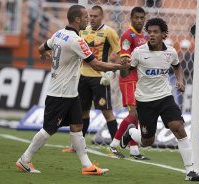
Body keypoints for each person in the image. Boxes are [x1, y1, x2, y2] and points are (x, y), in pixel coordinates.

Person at [15, 4, 128, 175]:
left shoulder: (58, 33)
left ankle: (87, 166)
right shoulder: (77, 40)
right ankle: (24, 159)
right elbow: (95, 64)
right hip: (60, 93)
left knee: (77, 126)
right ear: (77, 19)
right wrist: (118, 66)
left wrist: (44, 54)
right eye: (85, 17)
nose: (88, 20)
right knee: (49, 129)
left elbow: (41, 48)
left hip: (70, 93)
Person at [120, 18, 199, 181]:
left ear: (163, 34)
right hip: (144, 101)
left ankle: (190, 171)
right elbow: (126, 72)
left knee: (178, 127)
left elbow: (177, 65)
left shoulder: (171, 52)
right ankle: (131, 131)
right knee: (147, 142)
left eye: (155, 32)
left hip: (165, 97)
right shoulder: (138, 52)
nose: (151, 35)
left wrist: (180, 80)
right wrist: (122, 66)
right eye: (149, 32)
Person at [61, 5, 120, 153]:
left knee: (107, 112)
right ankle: (77, 146)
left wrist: (110, 72)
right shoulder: (82, 31)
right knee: (82, 112)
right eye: (90, 16)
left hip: (100, 79)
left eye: (95, 16)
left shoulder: (109, 33)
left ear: (102, 17)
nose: (92, 19)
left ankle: (115, 147)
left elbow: (119, 53)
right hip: (83, 77)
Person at [108, 7, 149, 160]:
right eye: (136, 18)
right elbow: (124, 58)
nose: (139, 20)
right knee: (134, 113)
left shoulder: (143, 36)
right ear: (131, 18)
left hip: (138, 78)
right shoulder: (128, 35)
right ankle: (114, 144)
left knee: (136, 114)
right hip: (129, 78)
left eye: (141, 18)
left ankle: (134, 150)